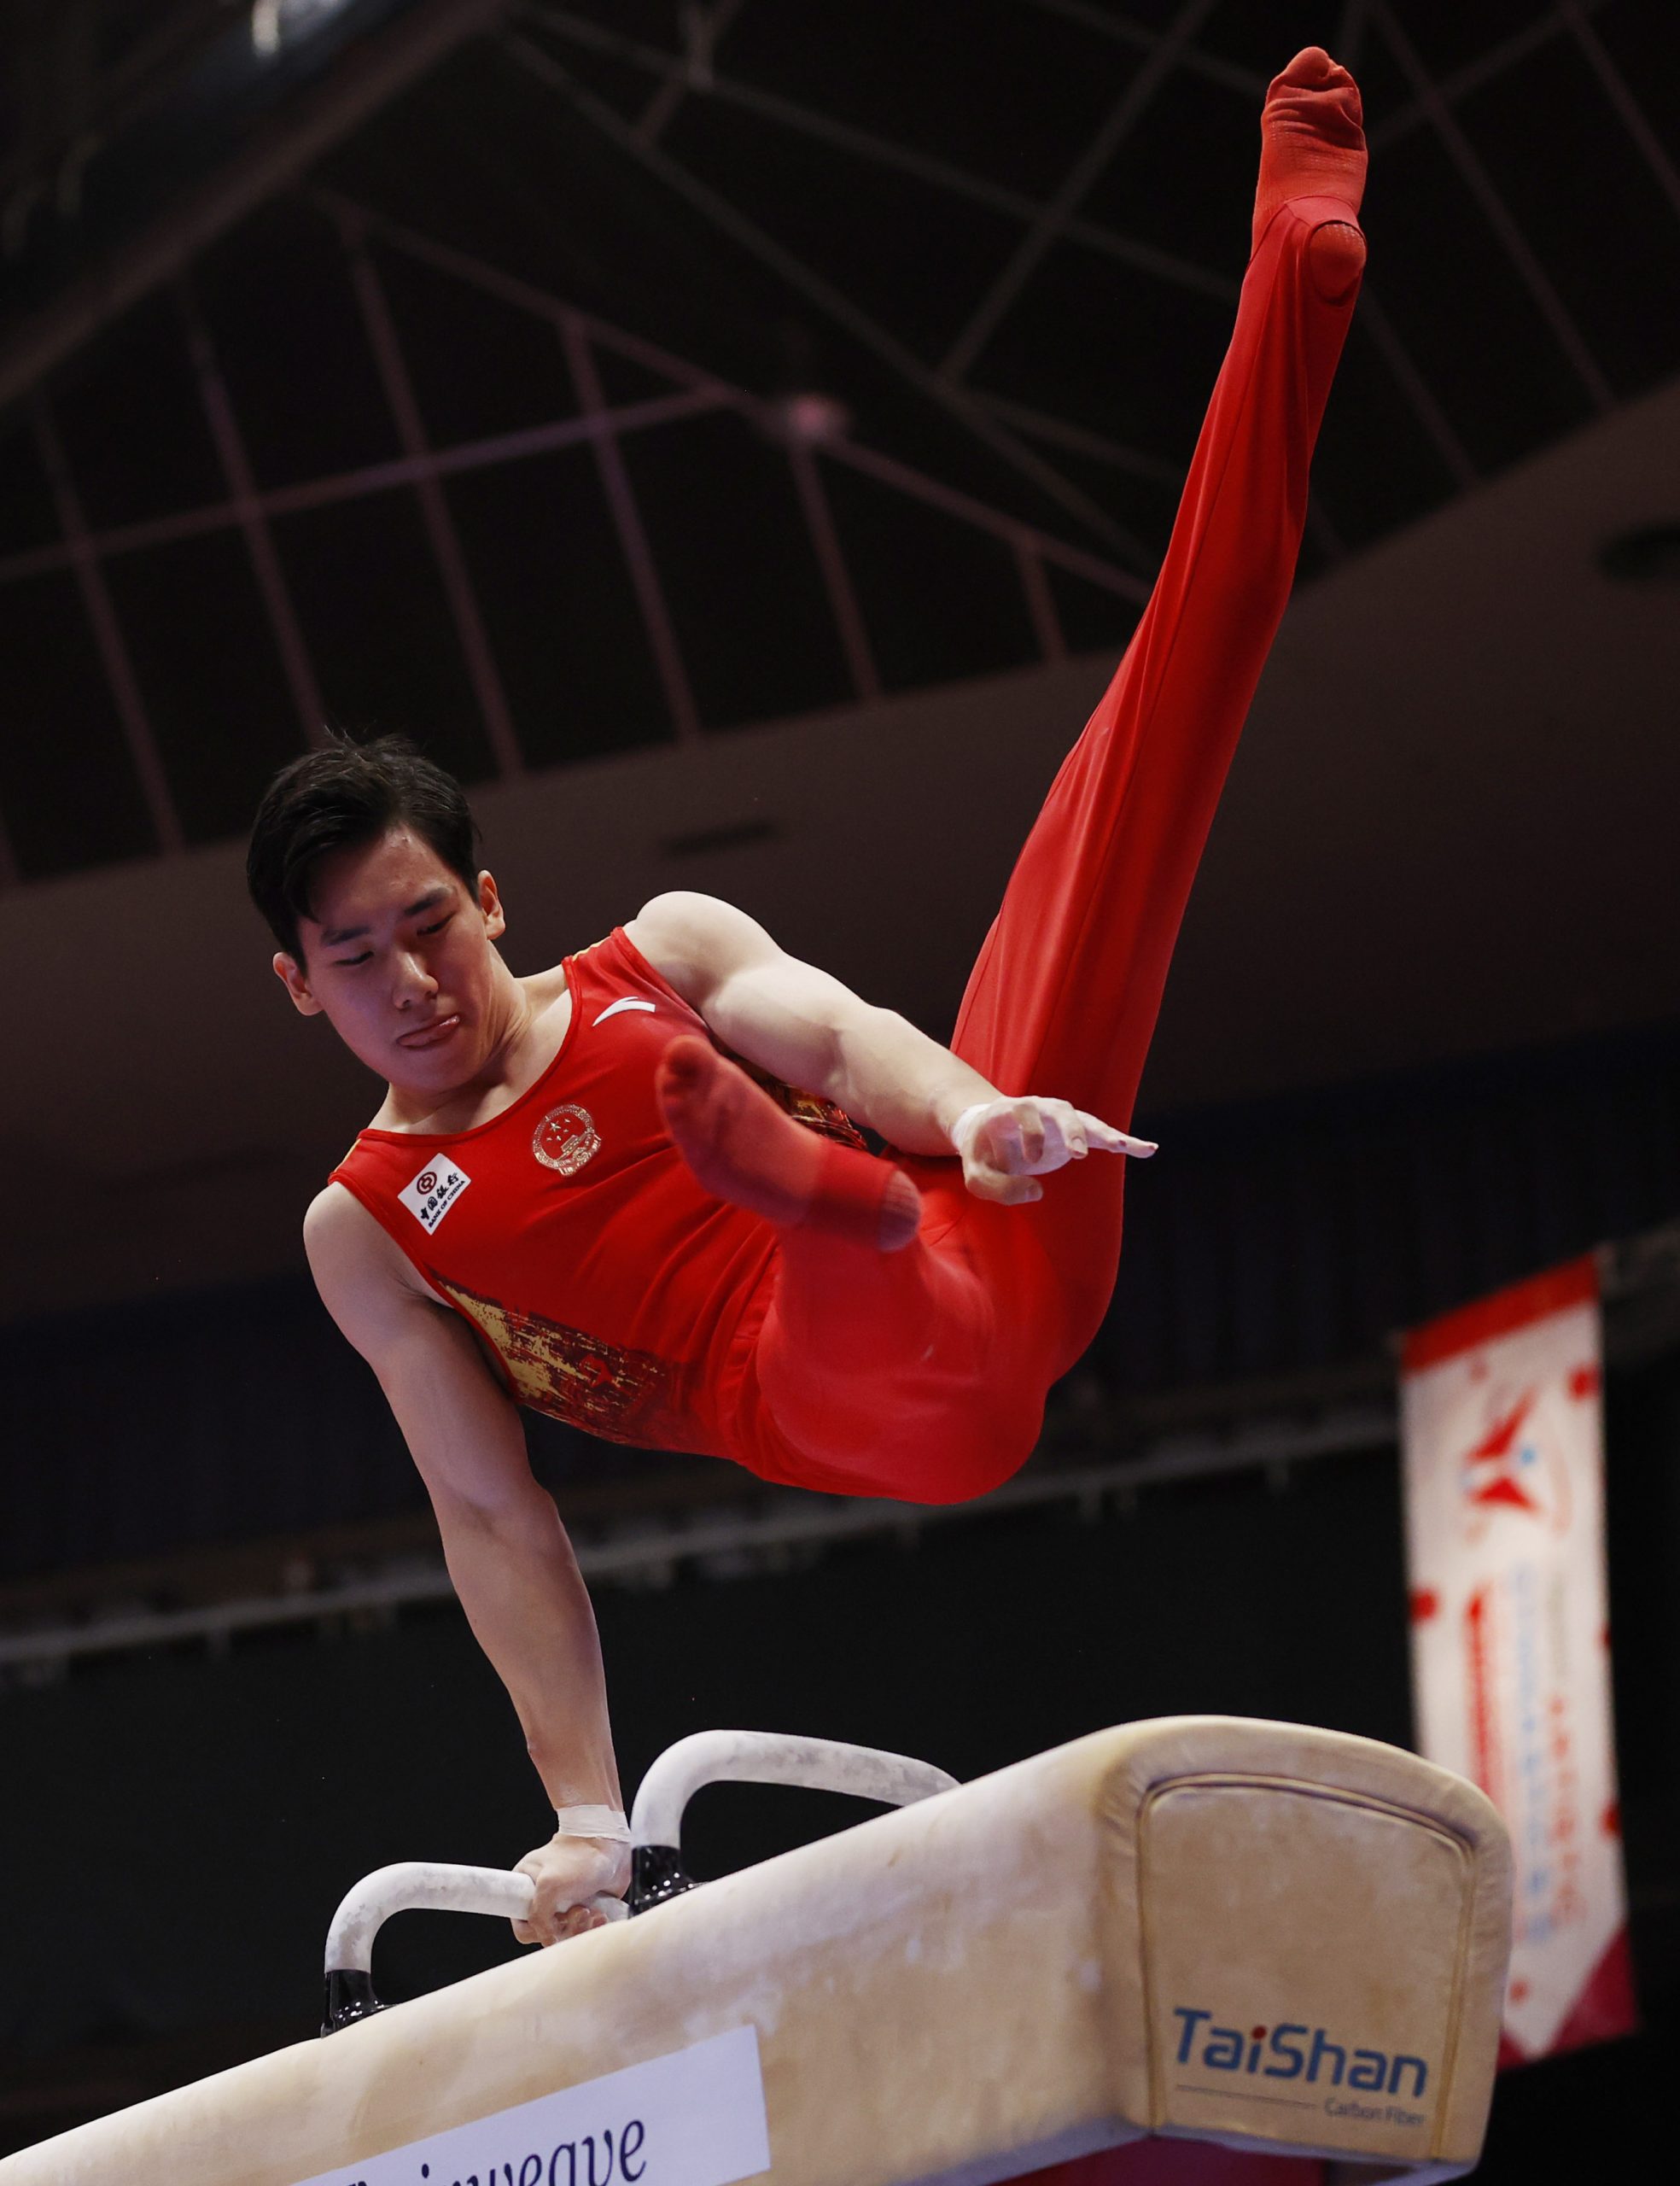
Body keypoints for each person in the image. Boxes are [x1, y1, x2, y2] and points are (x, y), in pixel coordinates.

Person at [247, 48, 1367, 1946]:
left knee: (1145, 758)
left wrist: (977, 1119)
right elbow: (493, 1515)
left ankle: (1295, 281)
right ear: (299, 987)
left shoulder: (657, 953)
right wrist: (589, 1816)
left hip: (988, 1192)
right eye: (354, 953)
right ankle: (816, 1197)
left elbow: (838, 1030)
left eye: (429, 918)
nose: (409, 974)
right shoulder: (368, 1228)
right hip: (856, 1393)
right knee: (849, 1298)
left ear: (491, 894)